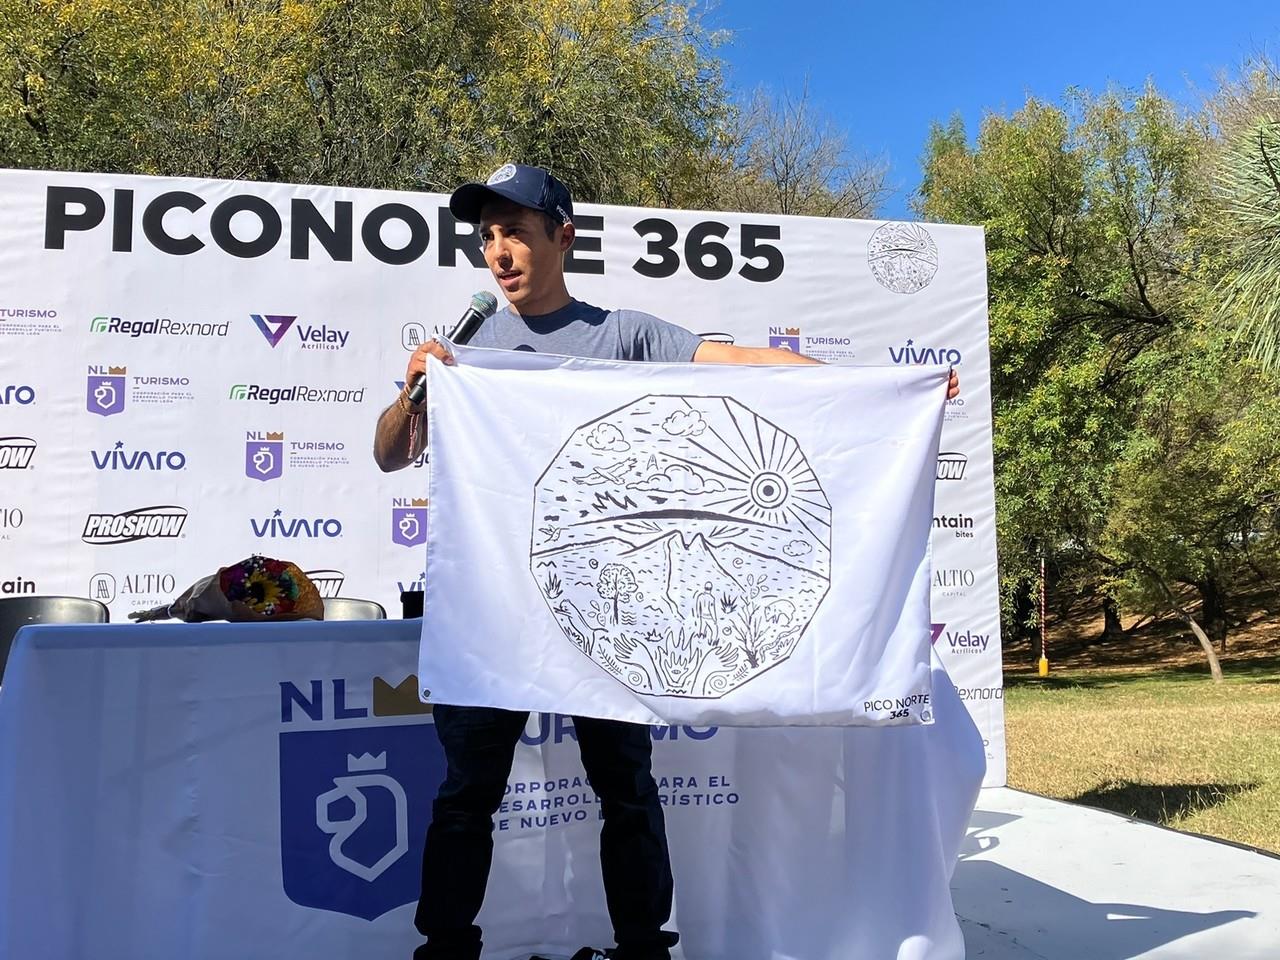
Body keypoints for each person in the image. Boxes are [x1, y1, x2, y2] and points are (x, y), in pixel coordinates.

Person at [373, 162, 960, 960]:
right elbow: (388, 456)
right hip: (493, 613)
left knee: (626, 789)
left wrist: (881, 387)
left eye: (515, 231)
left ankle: (645, 947)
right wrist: (413, 388)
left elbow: (740, 365)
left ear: (562, 235)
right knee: (466, 794)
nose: (499, 252)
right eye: (487, 237)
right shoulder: (467, 350)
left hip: (610, 608)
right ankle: (445, 947)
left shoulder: (627, 337)